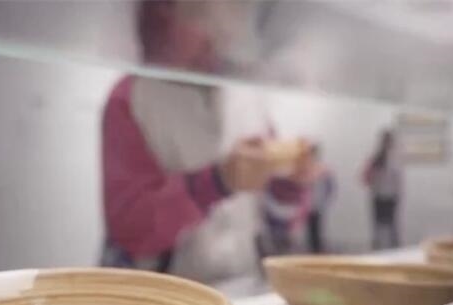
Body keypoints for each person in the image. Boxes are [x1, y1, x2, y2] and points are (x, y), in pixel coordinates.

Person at [100, 1, 275, 283]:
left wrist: (292, 184)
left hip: (243, 286)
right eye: (197, 14)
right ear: (158, 17)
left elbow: (277, 213)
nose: (216, 31)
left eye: (224, 14)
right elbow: (131, 229)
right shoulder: (131, 98)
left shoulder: (248, 96)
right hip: (168, 294)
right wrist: (216, 182)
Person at [362, 129, 403, 249]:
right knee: (381, 226)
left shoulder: (394, 158)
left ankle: (390, 248)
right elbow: (366, 178)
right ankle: (381, 247)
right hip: (380, 196)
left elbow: (398, 180)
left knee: (390, 226)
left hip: (388, 196)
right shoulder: (376, 158)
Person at [306, 145, 335, 253]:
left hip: (318, 202)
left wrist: (326, 200)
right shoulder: (305, 169)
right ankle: (312, 249)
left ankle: (317, 249)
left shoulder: (323, 169)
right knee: (310, 229)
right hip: (308, 204)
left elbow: (330, 187)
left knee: (318, 228)